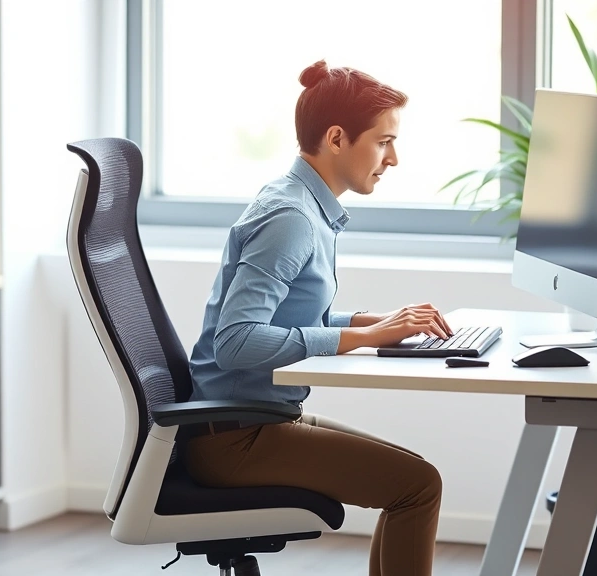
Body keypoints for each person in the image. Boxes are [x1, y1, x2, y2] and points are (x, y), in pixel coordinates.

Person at [185, 59, 453, 576]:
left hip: (252, 420)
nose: (393, 158)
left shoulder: (303, 204)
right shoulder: (292, 219)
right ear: (336, 138)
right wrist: (363, 335)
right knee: (417, 486)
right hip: (233, 439)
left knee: (415, 478)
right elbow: (236, 342)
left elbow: (294, 314)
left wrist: (376, 323)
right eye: (383, 141)